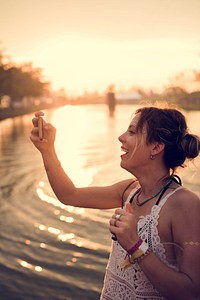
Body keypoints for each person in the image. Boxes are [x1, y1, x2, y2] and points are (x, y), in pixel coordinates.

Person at [30, 105, 200, 300]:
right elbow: (69, 195)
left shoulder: (185, 204)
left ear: (156, 147)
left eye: (132, 132)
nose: (121, 137)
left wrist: (135, 245)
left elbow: (192, 293)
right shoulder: (129, 190)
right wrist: (47, 149)